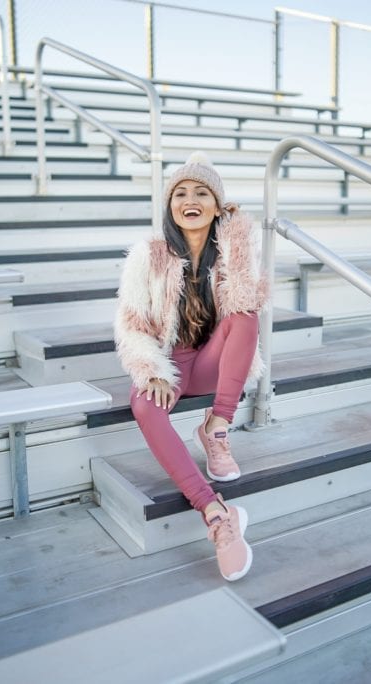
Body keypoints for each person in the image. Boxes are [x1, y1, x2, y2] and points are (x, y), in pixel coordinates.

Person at [115, 152, 268, 581]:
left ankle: (218, 426)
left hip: (216, 362)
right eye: (180, 193)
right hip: (173, 361)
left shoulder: (231, 250)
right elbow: (133, 325)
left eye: (202, 192)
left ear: (217, 205)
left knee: (246, 315)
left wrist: (235, 239)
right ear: (170, 206)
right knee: (144, 405)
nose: (190, 199)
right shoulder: (149, 257)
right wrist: (153, 370)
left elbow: (245, 300)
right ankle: (215, 512)